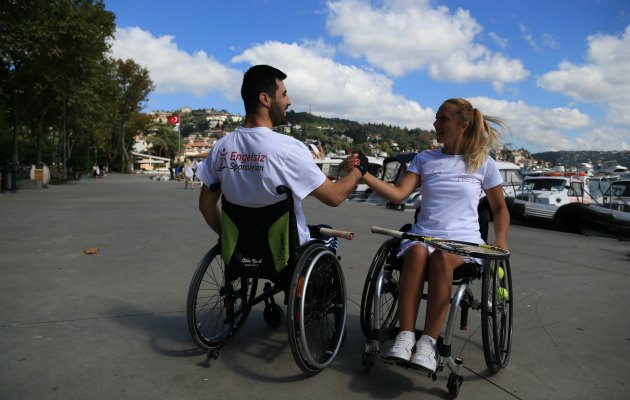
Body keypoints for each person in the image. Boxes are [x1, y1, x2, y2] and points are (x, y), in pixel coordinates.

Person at [356, 98, 510, 373]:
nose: (435, 124)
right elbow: (398, 193)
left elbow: (499, 209)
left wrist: (499, 240)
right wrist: (363, 174)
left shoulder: (483, 164)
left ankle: (428, 343)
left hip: (463, 244)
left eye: (442, 119)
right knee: (416, 251)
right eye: (436, 118)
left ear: (463, 125)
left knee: (441, 258)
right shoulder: (425, 159)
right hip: (423, 237)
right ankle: (405, 337)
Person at [196, 64, 366, 248]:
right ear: (265, 99)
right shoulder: (289, 148)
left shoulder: (221, 148)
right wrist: (358, 170)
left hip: (240, 248)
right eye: (284, 94)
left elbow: (206, 207)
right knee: (326, 235)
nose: (289, 101)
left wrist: (231, 239)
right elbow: (335, 196)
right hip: (283, 251)